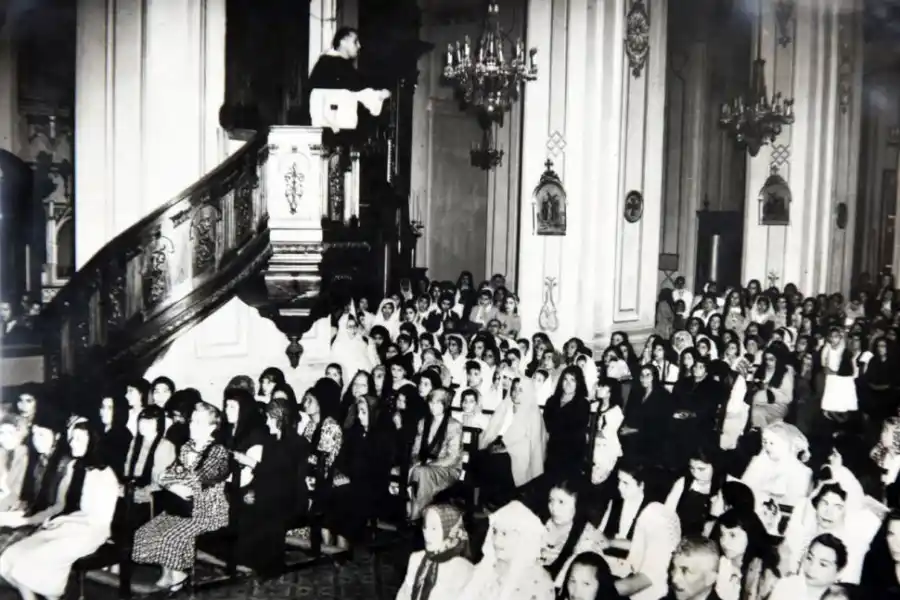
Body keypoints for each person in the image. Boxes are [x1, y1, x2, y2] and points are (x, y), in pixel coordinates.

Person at [460, 501, 554, 600]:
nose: (496, 540)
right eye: (495, 532)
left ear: (523, 538)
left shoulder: (538, 583)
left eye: (504, 534)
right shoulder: (487, 567)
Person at [395, 504, 473, 600]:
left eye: (434, 528)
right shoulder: (416, 559)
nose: (427, 534)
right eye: (425, 527)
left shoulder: (462, 568)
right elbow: (403, 595)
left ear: (449, 531)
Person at [769, 534, 848, 600]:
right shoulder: (786, 587)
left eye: (823, 564)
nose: (811, 567)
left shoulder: (840, 597)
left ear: (839, 572)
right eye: (809, 558)